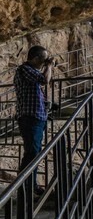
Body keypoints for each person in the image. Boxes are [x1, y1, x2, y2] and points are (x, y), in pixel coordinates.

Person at [14, 45, 54, 191]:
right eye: (43, 59)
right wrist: (49, 66)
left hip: (37, 117)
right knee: (32, 152)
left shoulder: (31, 71)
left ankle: (31, 185)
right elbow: (45, 79)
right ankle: (22, 184)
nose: (44, 62)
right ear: (36, 58)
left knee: (35, 152)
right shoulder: (25, 69)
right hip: (30, 118)